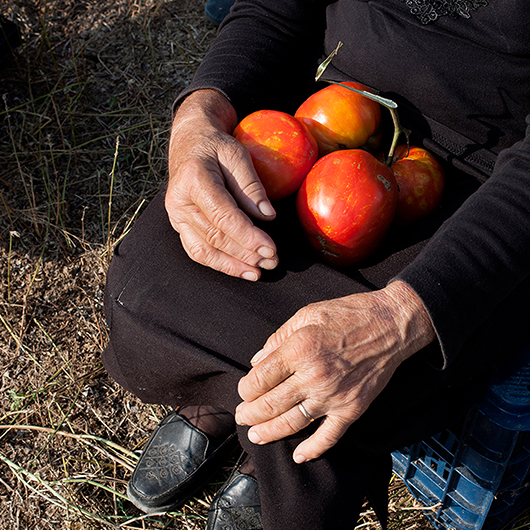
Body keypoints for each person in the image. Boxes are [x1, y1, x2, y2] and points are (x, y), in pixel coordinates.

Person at [102, 1, 530, 529]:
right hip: (321, 119)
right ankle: (224, 408)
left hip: (480, 192)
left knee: (320, 418)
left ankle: (259, 451)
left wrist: (401, 317)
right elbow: (273, 9)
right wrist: (199, 114)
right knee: (144, 288)